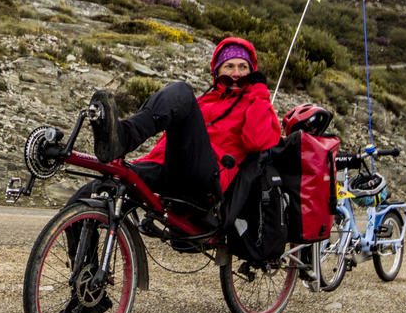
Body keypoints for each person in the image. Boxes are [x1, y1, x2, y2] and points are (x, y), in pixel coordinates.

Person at [111, 37, 283, 222]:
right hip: (171, 170)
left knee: (181, 92)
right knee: (109, 184)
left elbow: (256, 141)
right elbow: (167, 145)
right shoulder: (206, 100)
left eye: (243, 67)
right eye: (229, 66)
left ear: (251, 72)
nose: (236, 73)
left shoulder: (257, 103)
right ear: (216, 71)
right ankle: (80, 239)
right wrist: (140, 167)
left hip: (207, 180)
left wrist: (259, 91)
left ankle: (124, 137)